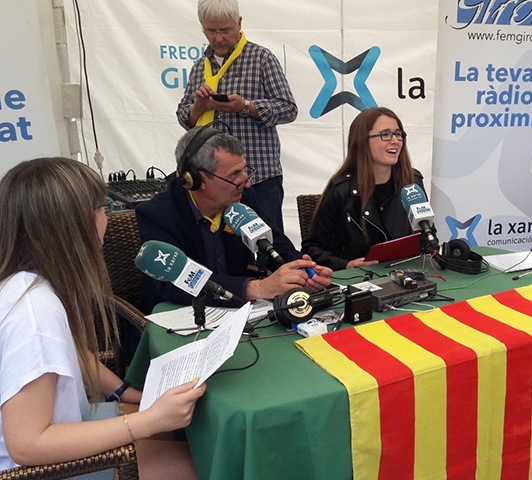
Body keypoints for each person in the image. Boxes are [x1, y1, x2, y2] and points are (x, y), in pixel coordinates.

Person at [0, 157, 204, 479]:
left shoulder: (29, 284)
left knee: (181, 434)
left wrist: (130, 395)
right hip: (43, 467)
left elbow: (74, 355)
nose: (106, 218)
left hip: (62, 436)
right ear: (71, 224)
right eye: (102, 207)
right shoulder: (34, 313)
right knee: (207, 464)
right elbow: (26, 444)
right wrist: (148, 420)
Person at [136, 127, 332, 312]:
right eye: (235, 174)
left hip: (237, 315)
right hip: (179, 317)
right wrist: (255, 288)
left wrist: (305, 271)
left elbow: (277, 245)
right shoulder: (158, 214)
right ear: (197, 179)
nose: (247, 182)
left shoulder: (243, 197)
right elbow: (173, 284)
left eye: (245, 170)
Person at [176, 0, 297, 231]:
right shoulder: (199, 66)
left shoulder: (261, 58)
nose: (218, 38)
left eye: (225, 30)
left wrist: (246, 106)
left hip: (258, 177)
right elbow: (184, 117)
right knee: (221, 253)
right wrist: (198, 107)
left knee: (266, 248)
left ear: (239, 23)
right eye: (211, 31)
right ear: (202, 27)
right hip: (213, 183)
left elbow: (288, 108)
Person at [302, 107, 426, 271]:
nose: (395, 140)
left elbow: (427, 235)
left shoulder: (412, 182)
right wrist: (347, 265)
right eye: (385, 134)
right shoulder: (341, 189)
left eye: (398, 134)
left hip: (409, 274)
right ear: (362, 141)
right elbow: (311, 249)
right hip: (359, 282)